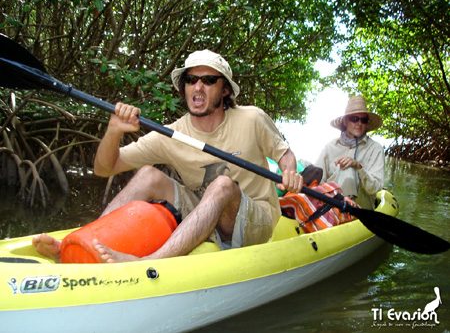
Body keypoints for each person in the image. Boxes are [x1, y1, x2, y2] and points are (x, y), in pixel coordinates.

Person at [33, 50, 303, 263]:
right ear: (183, 87)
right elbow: (105, 168)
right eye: (191, 80)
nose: (198, 87)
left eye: (208, 80)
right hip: (201, 211)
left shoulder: (252, 118)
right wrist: (113, 131)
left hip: (255, 218)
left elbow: (285, 155)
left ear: (225, 91)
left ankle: (150, 262)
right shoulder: (171, 133)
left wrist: (289, 172)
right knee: (148, 175)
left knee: (221, 186)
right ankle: (84, 242)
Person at [315, 95, 384, 210]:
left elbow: (374, 189)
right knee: (305, 164)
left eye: (363, 120)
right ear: (345, 121)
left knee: (348, 170)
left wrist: (358, 167)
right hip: (330, 203)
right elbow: (318, 180)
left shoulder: (375, 149)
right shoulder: (330, 147)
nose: (359, 124)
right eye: (354, 119)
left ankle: (346, 211)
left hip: (360, 207)